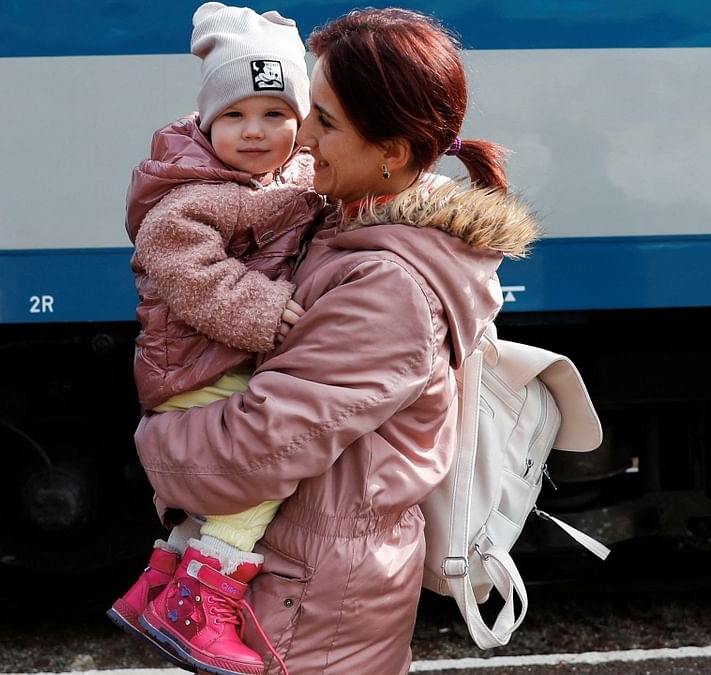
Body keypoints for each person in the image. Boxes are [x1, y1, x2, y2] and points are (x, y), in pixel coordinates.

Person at [130, 7, 540, 673]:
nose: (301, 138)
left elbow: (255, 450)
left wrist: (155, 439)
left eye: (323, 120)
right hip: (295, 588)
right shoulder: (335, 221)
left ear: (392, 154)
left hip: (314, 614)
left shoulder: (387, 284)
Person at [106, 3, 320, 673]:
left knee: (231, 480)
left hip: (212, 364)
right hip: (194, 371)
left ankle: (160, 582)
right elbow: (188, 273)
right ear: (206, 120)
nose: (254, 131)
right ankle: (197, 602)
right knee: (265, 467)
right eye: (234, 115)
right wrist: (263, 309)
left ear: (301, 121)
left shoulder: (275, 178)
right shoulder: (195, 193)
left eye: (275, 114)